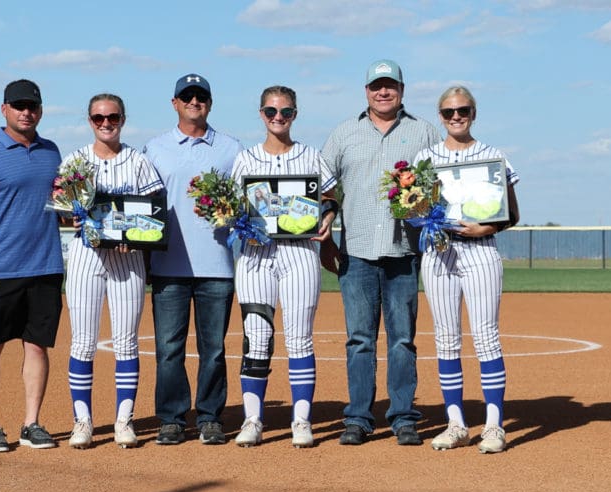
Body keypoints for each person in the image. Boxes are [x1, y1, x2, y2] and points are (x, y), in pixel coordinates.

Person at [321, 60, 441, 446]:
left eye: (390, 85)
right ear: (366, 89)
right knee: (359, 339)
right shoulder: (344, 133)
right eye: (377, 86)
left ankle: (403, 416)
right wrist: (326, 227)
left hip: (403, 251)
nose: (383, 92)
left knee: (402, 339)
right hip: (355, 253)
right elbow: (324, 189)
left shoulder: (423, 132)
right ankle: (358, 417)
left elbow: (438, 188)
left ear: (402, 90)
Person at [0, 79, 64, 453]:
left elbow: (62, 205)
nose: (26, 112)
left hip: (47, 266)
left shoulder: (52, 152)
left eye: (32, 105)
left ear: (40, 109)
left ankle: (32, 423)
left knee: (37, 346)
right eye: (18, 105)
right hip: (0, 268)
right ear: (4, 109)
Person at [413, 85, 520, 454]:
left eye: (463, 110)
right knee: (446, 339)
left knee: (486, 336)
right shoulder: (425, 159)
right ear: (439, 116)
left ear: (474, 113)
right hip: (439, 253)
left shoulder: (492, 155)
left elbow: (512, 213)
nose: (456, 117)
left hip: (480, 251)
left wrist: (488, 227)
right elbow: (411, 208)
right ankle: (456, 423)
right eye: (448, 112)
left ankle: (493, 426)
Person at [230, 85, 338, 448]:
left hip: (300, 254)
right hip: (256, 256)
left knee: (299, 337)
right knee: (257, 338)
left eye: (286, 112)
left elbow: (331, 196)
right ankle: (253, 419)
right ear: (261, 114)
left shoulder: (310, 155)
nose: (279, 118)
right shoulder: (246, 159)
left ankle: (302, 421)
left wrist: (328, 218)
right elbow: (231, 207)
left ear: (295, 114)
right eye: (272, 111)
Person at [143, 74, 243, 445]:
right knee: (169, 348)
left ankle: (210, 416)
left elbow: (246, 203)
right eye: (187, 96)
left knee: (213, 348)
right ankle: (171, 417)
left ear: (210, 103)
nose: (194, 101)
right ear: (174, 103)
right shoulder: (154, 148)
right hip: (168, 265)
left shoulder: (232, 148)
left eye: (201, 96)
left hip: (217, 265)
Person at [64, 94, 163, 450]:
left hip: (127, 257)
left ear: (123, 118)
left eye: (113, 117)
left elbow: (156, 213)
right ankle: (83, 422)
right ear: (89, 120)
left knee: (125, 342)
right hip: (86, 256)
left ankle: (124, 420)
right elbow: (60, 209)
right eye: (98, 117)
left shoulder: (138, 161)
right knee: (83, 342)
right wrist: (69, 215)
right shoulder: (75, 160)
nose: (106, 123)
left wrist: (137, 236)